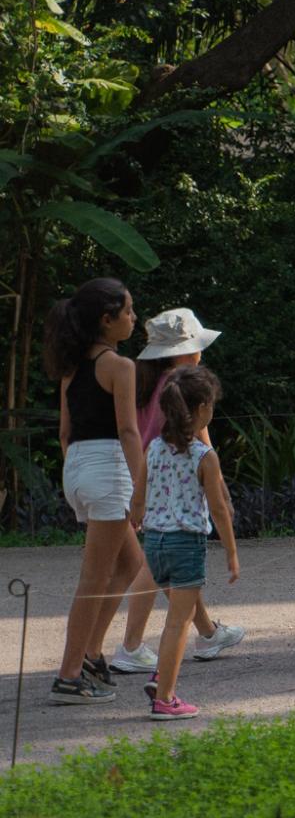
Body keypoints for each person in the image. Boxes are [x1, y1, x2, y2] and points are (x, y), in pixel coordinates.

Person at [107, 308, 244, 675]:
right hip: (176, 482)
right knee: (156, 564)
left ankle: (207, 632)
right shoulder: (184, 387)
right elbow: (202, 439)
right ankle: (131, 645)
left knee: (171, 564)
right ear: (184, 351)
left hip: (147, 478)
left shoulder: (146, 382)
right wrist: (221, 491)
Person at [45, 279, 146, 703]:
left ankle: (90, 652)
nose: (134, 317)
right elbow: (127, 430)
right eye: (128, 311)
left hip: (80, 469)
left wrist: (78, 477)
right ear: (107, 320)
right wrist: (142, 488)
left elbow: (65, 432)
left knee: (131, 565)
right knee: (94, 579)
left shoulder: (72, 367)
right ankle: (69, 675)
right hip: (108, 471)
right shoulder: (120, 366)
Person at [136, 367, 239, 718]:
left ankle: (161, 675)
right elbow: (220, 510)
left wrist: (140, 521)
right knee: (178, 623)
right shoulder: (203, 456)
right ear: (200, 409)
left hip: (154, 544)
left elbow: (137, 499)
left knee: (185, 610)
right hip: (185, 545)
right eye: (211, 405)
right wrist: (232, 553)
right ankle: (165, 698)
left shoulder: (153, 449)